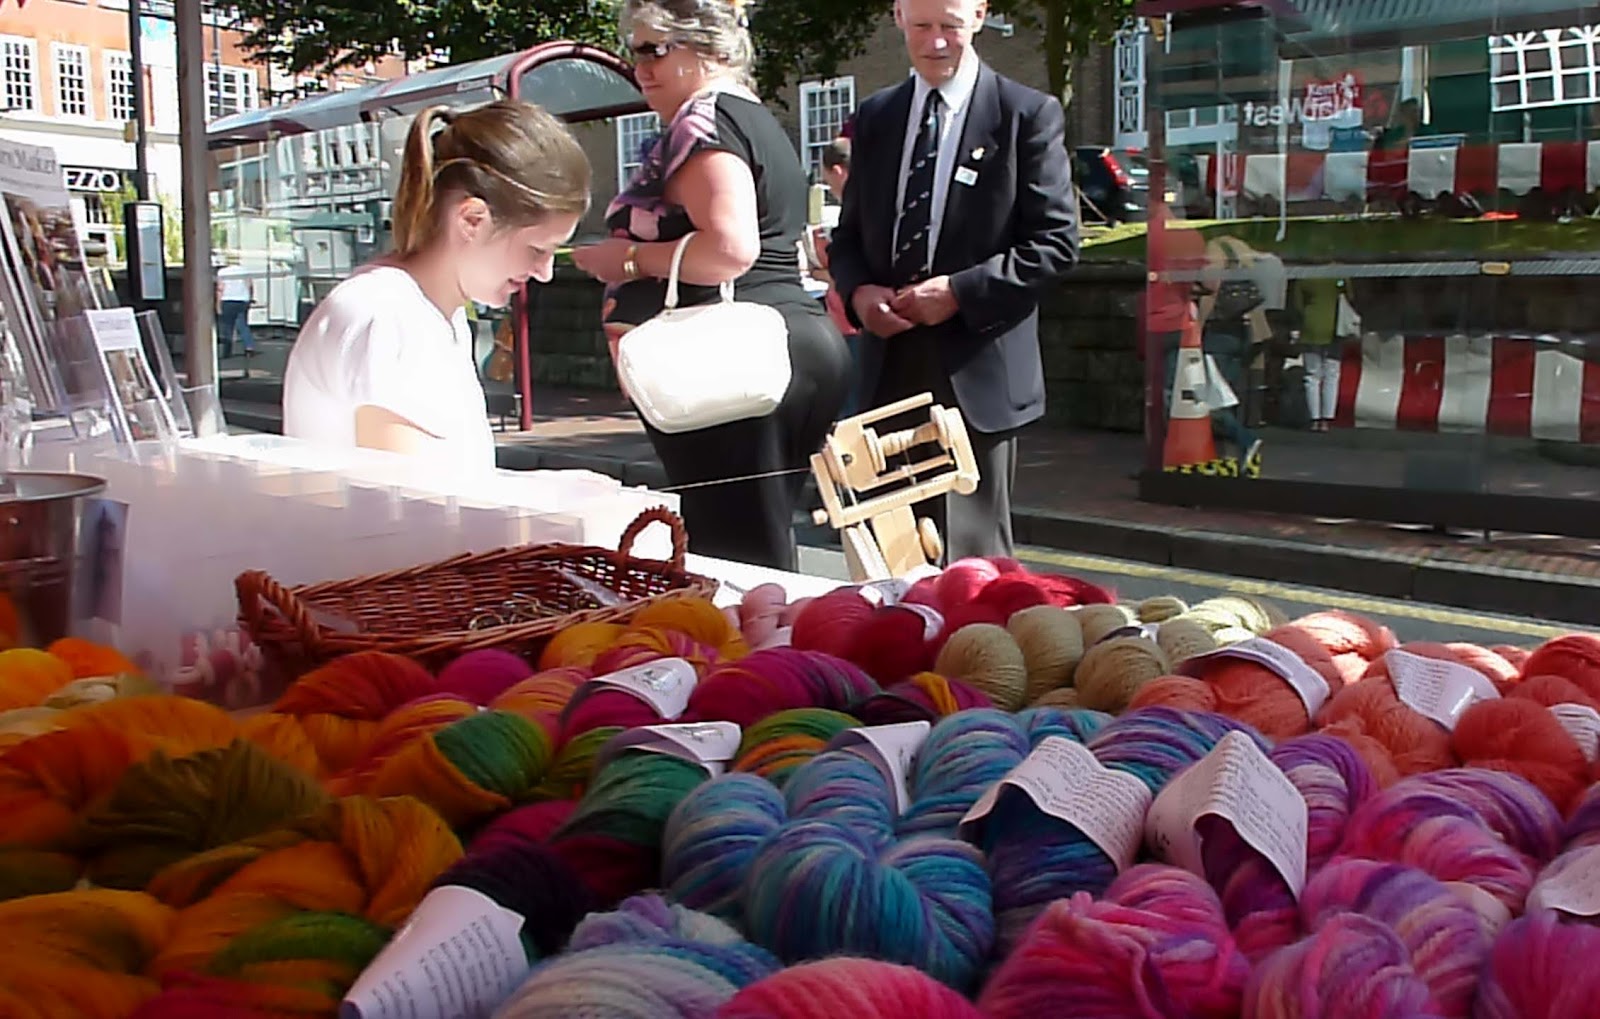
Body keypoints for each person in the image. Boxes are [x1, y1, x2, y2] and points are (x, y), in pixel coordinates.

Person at [572, 0, 850, 572]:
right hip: (787, 344)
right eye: (634, 50)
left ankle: (762, 662)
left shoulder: (705, 123)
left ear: (710, 49)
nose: (639, 66)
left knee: (733, 561)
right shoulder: (750, 116)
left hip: (737, 357)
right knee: (758, 548)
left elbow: (729, 248)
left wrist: (624, 259)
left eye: (655, 49)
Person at [827, 0, 1079, 560]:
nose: (936, 42)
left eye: (949, 27)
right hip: (887, 368)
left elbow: (1056, 245)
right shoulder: (876, 118)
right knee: (888, 564)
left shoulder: (1026, 114)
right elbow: (848, 238)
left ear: (980, 16)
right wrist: (860, 291)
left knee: (972, 568)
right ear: (896, 17)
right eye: (921, 26)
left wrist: (958, 293)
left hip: (975, 373)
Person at [283, 100, 590, 474]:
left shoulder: (421, 310)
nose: (544, 273)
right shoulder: (391, 317)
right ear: (472, 219)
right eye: (536, 250)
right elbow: (412, 515)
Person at [215, 253, 256, 360]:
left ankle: (227, 351)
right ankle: (249, 347)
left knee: (228, 326)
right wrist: (250, 298)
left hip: (227, 300)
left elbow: (220, 289)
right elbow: (250, 285)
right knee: (242, 325)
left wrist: (218, 304)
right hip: (242, 300)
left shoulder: (222, 272)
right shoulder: (245, 271)